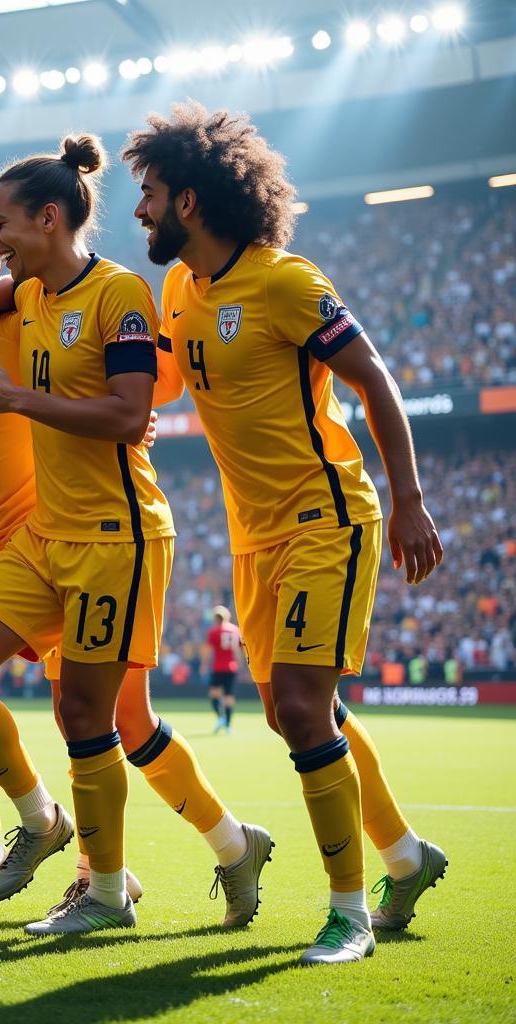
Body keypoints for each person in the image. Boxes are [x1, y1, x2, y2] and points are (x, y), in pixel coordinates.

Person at [122, 102, 447, 964]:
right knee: (295, 709)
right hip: (251, 536)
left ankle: (347, 915)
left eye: (148, 194)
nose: (139, 211)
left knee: (302, 708)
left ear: (188, 200)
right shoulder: (180, 288)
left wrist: (409, 498)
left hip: (326, 516)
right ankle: (407, 858)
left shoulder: (284, 281)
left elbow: (373, 378)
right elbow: (150, 385)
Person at [0, 199, 273, 927]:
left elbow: (135, 400)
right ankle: (72, 831)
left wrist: (30, 386)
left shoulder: (66, 298)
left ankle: (115, 880)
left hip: (105, 533)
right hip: (26, 540)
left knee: (106, 718)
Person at [0, 134, 175, 936]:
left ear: (48, 216)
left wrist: (16, 402)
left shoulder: (121, 293)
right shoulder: (27, 293)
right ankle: (41, 820)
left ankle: (104, 895)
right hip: (45, 537)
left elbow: (131, 416)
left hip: (116, 536)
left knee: (85, 717)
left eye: (0, 224)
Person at [206, 606, 241, 733]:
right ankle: (228, 725)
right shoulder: (235, 630)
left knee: (213, 694)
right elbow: (237, 651)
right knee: (229, 697)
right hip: (231, 668)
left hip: (218, 667)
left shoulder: (214, 632)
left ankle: (221, 718)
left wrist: (204, 665)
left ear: (216, 618)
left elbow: (209, 652)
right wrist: (239, 665)